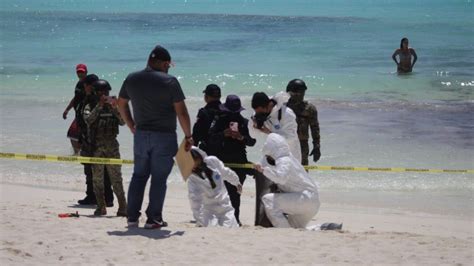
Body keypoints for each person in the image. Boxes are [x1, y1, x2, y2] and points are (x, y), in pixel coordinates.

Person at [118, 44, 193, 229]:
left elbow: (121, 104)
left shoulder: (132, 78)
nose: (168, 68)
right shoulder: (170, 82)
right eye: (167, 64)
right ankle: (153, 219)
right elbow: (182, 112)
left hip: (141, 135)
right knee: (159, 179)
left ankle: (132, 217)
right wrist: (189, 135)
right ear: (157, 62)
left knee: (139, 176)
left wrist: (131, 125)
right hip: (164, 136)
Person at [208, 95, 256, 225]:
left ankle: (235, 220)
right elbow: (210, 139)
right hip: (221, 163)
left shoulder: (245, 123)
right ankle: (221, 220)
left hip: (240, 163)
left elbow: (252, 141)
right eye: (230, 112)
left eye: (235, 112)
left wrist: (241, 137)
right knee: (220, 195)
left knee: (235, 195)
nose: (232, 115)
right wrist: (223, 134)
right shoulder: (218, 121)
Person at [254, 133, 320, 228]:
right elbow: (264, 161)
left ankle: (283, 231)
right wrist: (261, 167)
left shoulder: (284, 160)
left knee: (268, 200)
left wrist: (264, 170)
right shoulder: (289, 158)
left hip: (305, 199)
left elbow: (281, 178)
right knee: (295, 227)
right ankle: (324, 227)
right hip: (311, 201)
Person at [83, 79, 127, 216]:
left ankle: (123, 207)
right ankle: (101, 207)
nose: (104, 94)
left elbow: (123, 122)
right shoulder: (90, 106)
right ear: (96, 93)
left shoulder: (114, 105)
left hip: (112, 146)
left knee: (116, 179)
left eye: (106, 92)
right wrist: (99, 106)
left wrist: (115, 108)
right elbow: (88, 120)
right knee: (97, 179)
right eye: (102, 92)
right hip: (96, 147)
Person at [76, 74, 114, 206]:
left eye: (86, 85)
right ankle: (95, 196)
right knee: (91, 168)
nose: (84, 87)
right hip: (87, 137)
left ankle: (102, 197)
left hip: (94, 140)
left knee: (98, 170)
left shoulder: (95, 102)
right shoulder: (88, 99)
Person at [187, 146, 242, 228]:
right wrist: (199, 219)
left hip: (225, 205)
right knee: (210, 228)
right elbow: (195, 199)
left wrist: (236, 182)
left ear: (199, 157)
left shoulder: (212, 161)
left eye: (194, 160)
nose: (194, 164)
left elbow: (225, 172)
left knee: (231, 227)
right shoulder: (192, 177)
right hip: (209, 210)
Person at [251, 91, 301, 162]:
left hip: (290, 156)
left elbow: (290, 138)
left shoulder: (287, 114)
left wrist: (270, 133)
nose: (259, 115)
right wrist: (255, 127)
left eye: (260, 113)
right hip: (271, 156)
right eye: (257, 112)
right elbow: (253, 136)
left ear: (268, 106)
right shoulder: (260, 113)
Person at [286, 79, 321, 165]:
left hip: (302, 145)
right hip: (285, 144)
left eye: (302, 93)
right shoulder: (283, 107)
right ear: (290, 93)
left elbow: (315, 128)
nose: (301, 96)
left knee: (303, 172)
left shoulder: (309, 108)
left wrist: (317, 146)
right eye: (298, 93)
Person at [62, 63, 88, 155]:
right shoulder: (79, 84)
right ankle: (77, 154)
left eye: (82, 72)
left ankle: (78, 154)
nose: (80, 74)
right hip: (78, 113)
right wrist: (67, 109)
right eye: (79, 72)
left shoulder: (88, 84)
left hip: (85, 114)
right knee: (73, 134)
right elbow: (75, 98)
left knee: (73, 133)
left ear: (86, 72)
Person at [192, 84, 223, 156]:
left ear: (206, 97)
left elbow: (196, 134)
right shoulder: (226, 111)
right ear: (220, 96)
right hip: (224, 152)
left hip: (207, 152)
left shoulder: (203, 112)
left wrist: (193, 155)